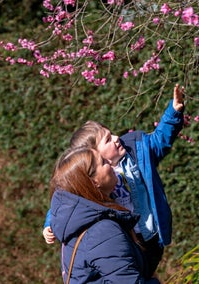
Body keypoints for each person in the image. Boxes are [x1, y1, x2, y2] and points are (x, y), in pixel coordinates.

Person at [44, 84, 185, 277]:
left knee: (147, 271)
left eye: (112, 134)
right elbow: (68, 201)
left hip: (150, 235)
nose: (117, 138)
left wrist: (174, 112)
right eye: (108, 140)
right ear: (94, 154)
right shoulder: (93, 180)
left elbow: (159, 141)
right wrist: (48, 225)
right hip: (127, 239)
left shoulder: (136, 149)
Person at [49, 146, 160, 283]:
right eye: (103, 162)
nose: (109, 161)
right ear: (94, 182)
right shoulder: (102, 232)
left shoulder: (77, 224)